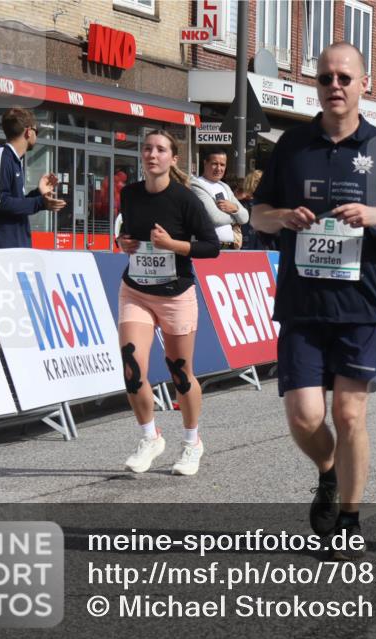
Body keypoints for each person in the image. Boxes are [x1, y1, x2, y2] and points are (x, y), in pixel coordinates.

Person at [251, 42, 376, 560]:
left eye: (345, 78)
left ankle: (350, 519)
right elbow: (257, 213)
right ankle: (329, 472)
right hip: (304, 305)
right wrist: (283, 217)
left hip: (364, 304)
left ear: (363, 84)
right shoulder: (292, 144)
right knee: (305, 417)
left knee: (349, 414)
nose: (335, 85)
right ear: (316, 84)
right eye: (326, 76)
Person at [116, 130, 220, 476]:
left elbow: (211, 246)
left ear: (173, 159)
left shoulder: (185, 199)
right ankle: (150, 437)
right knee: (132, 366)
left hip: (176, 293)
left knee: (180, 372)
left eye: (160, 150)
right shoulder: (129, 194)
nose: (152, 154)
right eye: (147, 148)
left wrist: (173, 245)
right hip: (137, 290)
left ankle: (192, 443)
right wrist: (123, 242)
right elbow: (126, 234)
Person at [0, 107, 65, 248]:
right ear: (28, 132)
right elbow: (0, 202)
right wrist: (40, 203)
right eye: (37, 132)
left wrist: (39, 192)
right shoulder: (2, 158)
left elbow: (14, 205)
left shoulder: (14, 161)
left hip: (16, 251)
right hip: (2, 254)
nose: (37, 136)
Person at [190, 148, 249, 249]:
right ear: (205, 163)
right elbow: (215, 218)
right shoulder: (196, 185)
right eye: (214, 164)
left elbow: (245, 217)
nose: (219, 168)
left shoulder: (224, 186)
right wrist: (236, 217)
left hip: (230, 247)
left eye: (222, 165)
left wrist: (235, 208)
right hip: (207, 248)